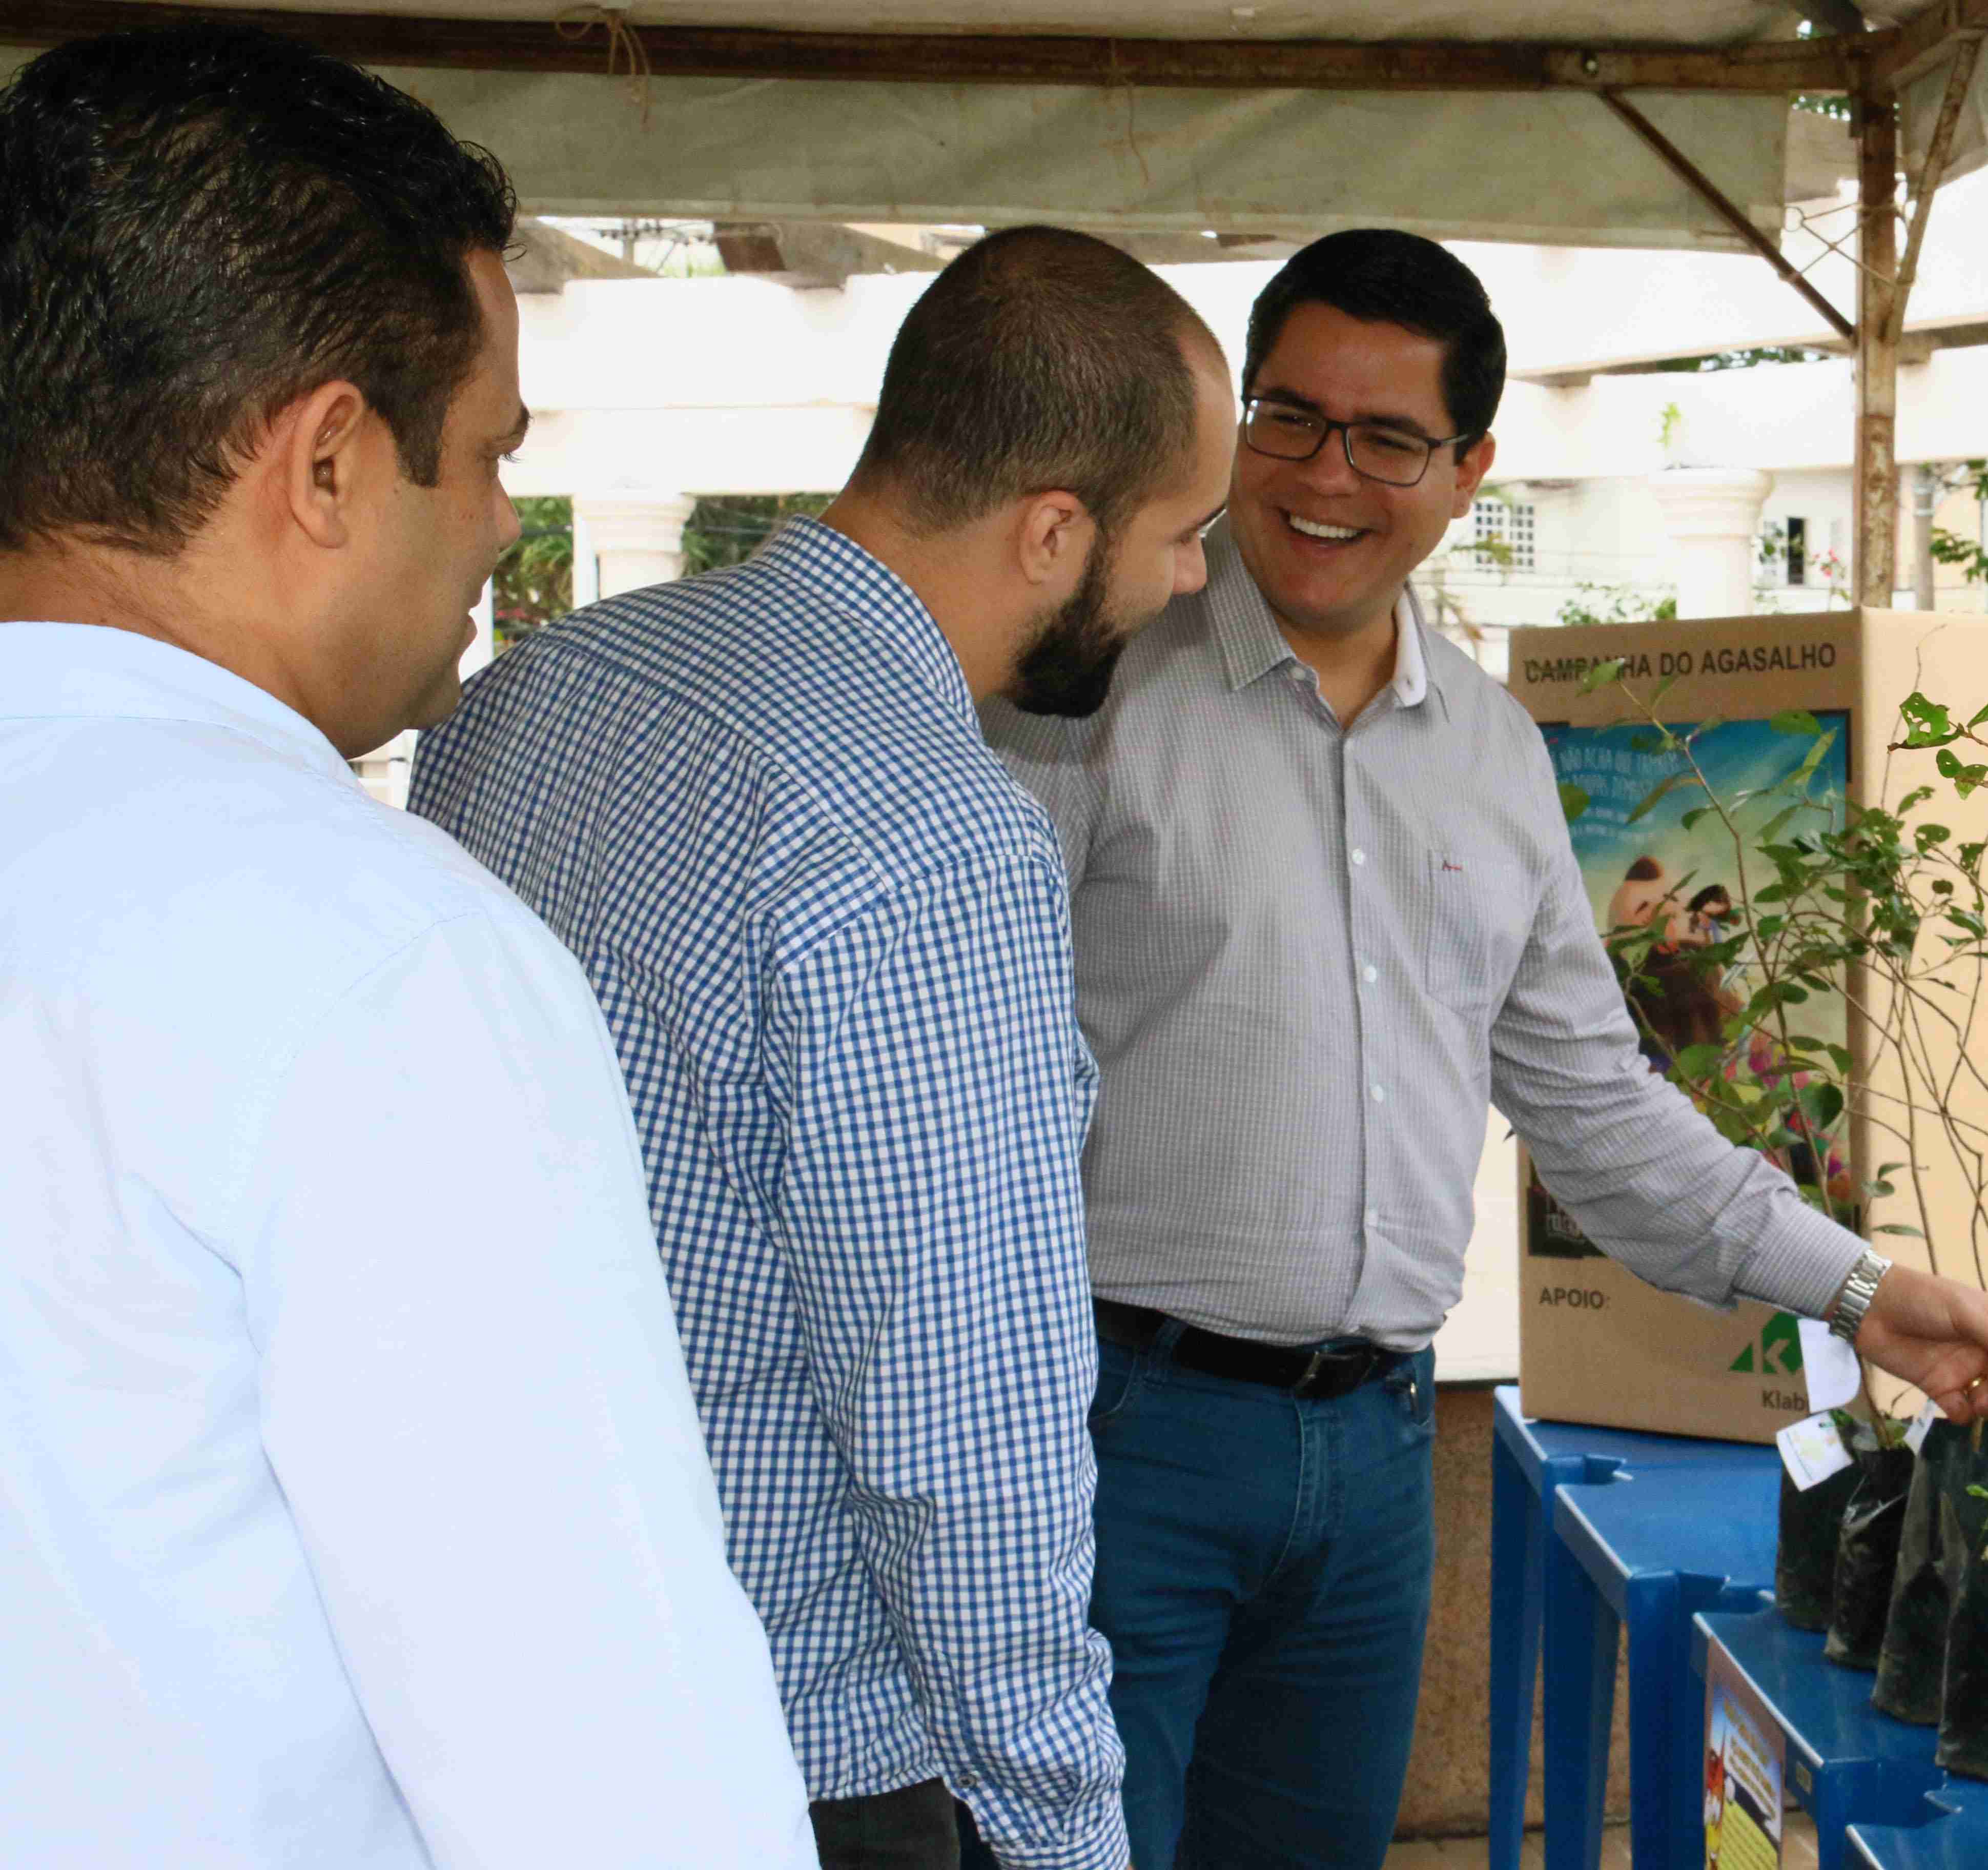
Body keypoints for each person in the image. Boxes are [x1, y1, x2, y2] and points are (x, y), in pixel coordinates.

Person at [983, 228, 1988, 1868]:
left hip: (1377, 1463)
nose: (1329, 477)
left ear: (1468, 469)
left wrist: (1864, 1290)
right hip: (1119, 1441)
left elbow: (1600, 1108)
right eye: (1290, 419)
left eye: (1388, 439)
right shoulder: (1091, 693)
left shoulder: (1489, 753)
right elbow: (965, 1067)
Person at [0, 24, 816, 1868]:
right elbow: (613, 1792)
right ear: (328, 463)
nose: (505, 524)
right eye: (489, 454)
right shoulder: (375, 959)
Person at [411, 226, 1235, 1870]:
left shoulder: (544, 686)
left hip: (512, 1690)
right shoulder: (935, 844)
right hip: (797, 1754)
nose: (1194, 582)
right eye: (1183, 536)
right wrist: (1065, 1832)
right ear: (1054, 529)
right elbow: (962, 1443)